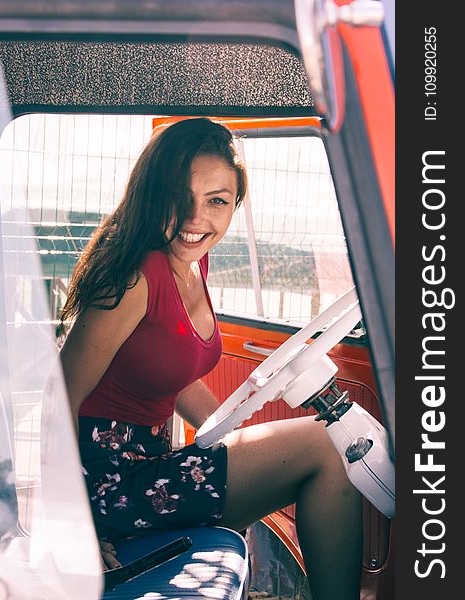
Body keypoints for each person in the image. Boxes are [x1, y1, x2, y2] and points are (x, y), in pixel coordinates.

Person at [58, 117, 362, 600]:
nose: (195, 218)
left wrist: (231, 436)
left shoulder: (191, 257)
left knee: (316, 445)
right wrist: (72, 526)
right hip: (111, 487)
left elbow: (168, 373)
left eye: (216, 201)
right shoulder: (133, 276)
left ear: (235, 204)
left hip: (151, 465)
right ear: (150, 193)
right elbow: (56, 401)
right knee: (323, 447)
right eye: (178, 197)